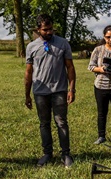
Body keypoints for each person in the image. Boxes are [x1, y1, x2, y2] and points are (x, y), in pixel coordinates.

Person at [24, 14, 77, 168]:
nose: (49, 32)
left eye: (51, 29)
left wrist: (71, 89)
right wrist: (27, 95)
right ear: (38, 29)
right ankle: (47, 153)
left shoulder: (63, 43)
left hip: (59, 90)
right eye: (45, 30)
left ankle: (66, 154)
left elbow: (70, 67)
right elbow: (28, 72)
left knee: (61, 122)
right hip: (40, 92)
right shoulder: (31, 47)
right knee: (44, 123)